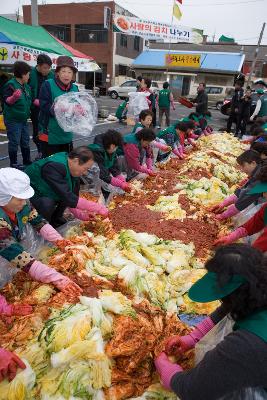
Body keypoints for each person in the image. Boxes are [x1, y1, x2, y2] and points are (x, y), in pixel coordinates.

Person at [155, 243, 267, 400]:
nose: (222, 302)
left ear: (234, 297)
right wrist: (192, 338)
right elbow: (228, 308)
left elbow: (193, 391)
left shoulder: (248, 344)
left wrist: (170, 373)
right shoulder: (257, 290)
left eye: (223, 298)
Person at [0, 167, 82, 295]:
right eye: (19, 199)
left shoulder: (21, 204)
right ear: (3, 198)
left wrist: (60, 242)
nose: (24, 203)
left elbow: (38, 220)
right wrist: (54, 277)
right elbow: (13, 252)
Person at [25, 146, 108, 228]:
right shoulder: (54, 167)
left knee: (64, 197)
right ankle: (41, 227)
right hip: (30, 196)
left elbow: (72, 198)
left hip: (47, 191)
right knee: (47, 204)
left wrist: (82, 215)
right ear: (76, 161)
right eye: (85, 168)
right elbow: (68, 197)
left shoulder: (71, 169)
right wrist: (98, 208)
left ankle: (55, 220)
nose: (85, 173)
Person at [38, 56, 79, 157]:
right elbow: (44, 105)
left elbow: (76, 105)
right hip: (50, 134)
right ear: (57, 73)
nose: (66, 75)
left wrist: (79, 111)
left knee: (66, 164)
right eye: (63, 71)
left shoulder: (75, 88)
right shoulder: (48, 85)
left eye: (69, 72)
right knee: (50, 166)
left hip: (67, 135)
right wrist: (58, 108)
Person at [210, 150, 262, 220]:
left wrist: (222, 216)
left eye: (243, 166)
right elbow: (243, 190)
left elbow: (244, 201)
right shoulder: (258, 172)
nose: (242, 170)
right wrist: (223, 204)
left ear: (253, 163)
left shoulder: (260, 177)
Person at [2, 61, 32, 168]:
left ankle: (27, 161)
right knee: (14, 141)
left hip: (23, 120)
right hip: (13, 120)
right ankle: (13, 163)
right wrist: (13, 98)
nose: (29, 76)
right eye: (28, 74)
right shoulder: (10, 85)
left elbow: (29, 102)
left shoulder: (26, 87)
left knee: (25, 140)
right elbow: (6, 100)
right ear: (23, 74)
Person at [28, 54, 53, 159]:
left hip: (48, 107)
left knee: (48, 129)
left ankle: (47, 151)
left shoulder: (51, 75)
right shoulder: (30, 74)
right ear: (38, 66)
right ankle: (40, 151)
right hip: (36, 107)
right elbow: (26, 89)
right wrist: (33, 100)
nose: (47, 70)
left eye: (49, 68)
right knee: (37, 130)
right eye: (45, 68)